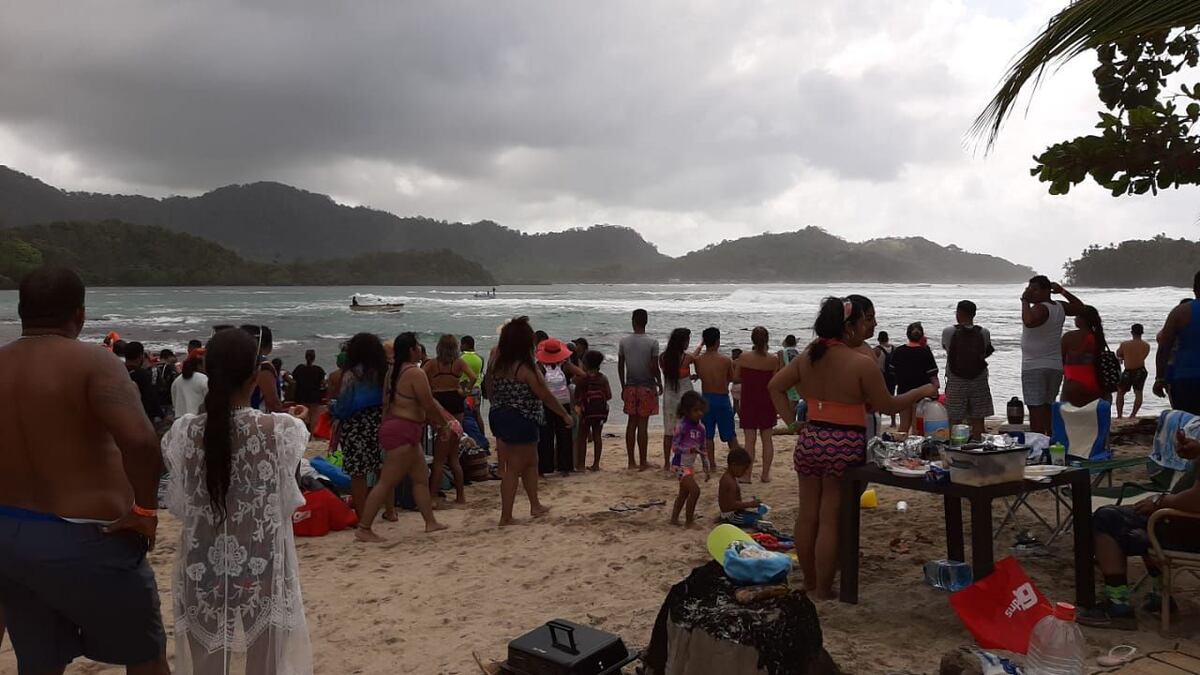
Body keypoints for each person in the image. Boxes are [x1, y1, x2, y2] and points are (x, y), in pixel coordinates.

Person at [0, 267, 168, 675]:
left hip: (9, 534)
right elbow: (142, 442)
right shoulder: (95, 361)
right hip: (86, 536)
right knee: (146, 658)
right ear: (79, 314)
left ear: (22, 311)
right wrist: (145, 510)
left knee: (38, 663)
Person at [161, 327, 312, 674]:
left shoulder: (183, 433)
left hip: (201, 566)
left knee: (206, 666)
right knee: (265, 664)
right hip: (262, 564)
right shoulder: (282, 431)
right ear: (254, 377)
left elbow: (181, 508)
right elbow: (287, 502)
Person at [767, 296, 937, 599]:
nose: (868, 326)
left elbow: (775, 387)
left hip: (811, 437)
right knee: (830, 517)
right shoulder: (860, 363)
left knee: (807, 515)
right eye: (864, 321)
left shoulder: (808, 356)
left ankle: (808, 582)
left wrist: (793, 423)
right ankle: (823, 589)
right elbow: (887, 405)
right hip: (844, 441)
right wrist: (922, 390)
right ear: (849, 327)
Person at [1077, 429, 1200, 628]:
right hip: (1180, 522)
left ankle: (1118, 606)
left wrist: (1161, 502)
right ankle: (1162, 595)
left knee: (1107, 519)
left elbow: (1197, 501)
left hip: (1185, 528)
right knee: (1142, 517)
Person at [355, 333, 448, 543]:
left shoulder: (393, 372)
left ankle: (430, 522)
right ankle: (364, 527)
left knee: (421, 477)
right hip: (403, 430)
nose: (420, 350)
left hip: (399, 429)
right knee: (387, 481)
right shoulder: (415, 373)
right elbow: (428, 404)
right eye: (417, 346)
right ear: (412, 351)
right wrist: (443, 425)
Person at [486, 317, 572, 526]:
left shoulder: (496, 362)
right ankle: (506, 516)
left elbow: (488, 387)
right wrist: (564, 414)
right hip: (522, 418)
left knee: (531, 461)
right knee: (514, 467)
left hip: (499, 414)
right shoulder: (525, 368)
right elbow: (545, 395)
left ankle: (535, 505)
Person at [331, 333, 395, 522]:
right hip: (379, 421)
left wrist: (334, 411)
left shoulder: (351, 374)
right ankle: (390, 511)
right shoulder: (384, 371)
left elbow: (344, 404)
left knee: (358, 474)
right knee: (381, 469)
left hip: (356, 425)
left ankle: (362, 516)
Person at [1022, 276, 1084, 434]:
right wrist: (1063, 291)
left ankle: (1038, 442)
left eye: (1034, 289)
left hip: (1034, 366)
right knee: (1048, 406)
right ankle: (1049, 439)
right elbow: (1079, 307)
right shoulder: (1059, 306)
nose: (1031, 292)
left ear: (1045, 291)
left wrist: (1024, 301)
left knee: (1035, 408)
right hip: (1054, 365)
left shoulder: (1039, 308)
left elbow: (1028, 321)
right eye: (1029, 289)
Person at [423, 335, 476, 504]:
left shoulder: (432, 364)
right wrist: (465, 390)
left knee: (439, 459)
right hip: (456, 399)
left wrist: (430, 390)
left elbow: (421, 378)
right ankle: (460, 496)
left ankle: (432, 496)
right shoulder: (458, 363)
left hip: (439, 400)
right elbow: (473, 377)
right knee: (453, 456)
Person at [941, 300, 995, 440]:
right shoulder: (984, 332)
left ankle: (956, 446)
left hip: (956, 379)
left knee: (955, 418)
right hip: (978, 378)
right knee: (978, 418)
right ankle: (977, 445)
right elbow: (985, 352)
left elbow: (947, 349)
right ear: (974, 314)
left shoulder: (949, 332)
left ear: (958, 313)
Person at [736, 327, 781, 483]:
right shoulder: (773, 359)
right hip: (766, 401)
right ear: (767, 340)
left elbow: (736, 377)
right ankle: (765, 474)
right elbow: (775, 381)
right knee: (767, 439)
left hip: (749, 400)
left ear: (752, 340)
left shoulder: (743, 357)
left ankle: (747, 475)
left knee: (750, 441)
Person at [617, 308, 661, 470]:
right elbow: (654, 367)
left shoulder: (624, 342)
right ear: (646, 321)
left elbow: (620, 365)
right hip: (647, 386)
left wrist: (623, 386)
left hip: (630, 386)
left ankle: (631, 462)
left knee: (631, 424)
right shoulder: (652, 342)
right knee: (643, 425)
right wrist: (659, 382)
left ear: (633, 321)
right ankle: (643, 461)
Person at [695, 327, 742, 469]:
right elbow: (732, 378)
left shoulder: (698, 361)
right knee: (730, 435)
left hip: (706, 399)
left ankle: (712, 464)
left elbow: (700, 374)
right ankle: (737, 461)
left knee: (708, 435)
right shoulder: (725, 360)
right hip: (721, 399)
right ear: (717, 342)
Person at [1155, 272, 1200, 415]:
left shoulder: (1181, 312)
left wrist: (1160, 378)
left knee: (1186, 425)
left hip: (1185, 377)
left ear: (1194, 289)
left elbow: (1164, 347)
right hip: (1185, 377)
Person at [535, 338, 578, 476]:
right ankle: (565, 467)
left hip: (546, 403)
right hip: (563, 403)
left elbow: (536, 384)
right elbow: (582, 374)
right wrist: (570, 384)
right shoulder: (565, 365)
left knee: (545, 436)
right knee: (564, 436)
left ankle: (544, 467)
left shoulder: (540, 366)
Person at [889, 323, 938, 434]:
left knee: (903, 426)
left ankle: (900, 448)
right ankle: (915, 449)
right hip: (921, 394)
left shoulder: (898, 351)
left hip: (903, 393)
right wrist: (935, 391)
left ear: (907, 335)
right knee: (917, 428)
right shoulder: (925, 352)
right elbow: (933, 374)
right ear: (921, 336)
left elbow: (892, 372)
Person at [660, 328, 698, 473]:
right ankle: (681, 459)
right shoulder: (687, 358)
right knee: (686, 429)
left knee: (669, 431)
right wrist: (694, 376)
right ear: (683, 342)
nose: (688, 342)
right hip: (685, 397)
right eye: (687, 339)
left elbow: (671, 373)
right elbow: (693, 362)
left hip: (670, 397)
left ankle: (666, 463)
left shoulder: (663, 358)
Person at [669, 391, 708, 528]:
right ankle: (689, 521)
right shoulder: (681, 427)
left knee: (684, 493)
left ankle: (674, 519)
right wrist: (689, 450)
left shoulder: (701, 429)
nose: (699, 413)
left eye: (701, 410)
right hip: (679, 465)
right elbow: (674, 448)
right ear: (686, 410)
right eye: (695, 410)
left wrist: (706, 466)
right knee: (695, 491)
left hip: (689, 466)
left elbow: (703, 449)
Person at [1061, 305, 1109, 408]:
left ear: (1083, 320)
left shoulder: (1069, 337)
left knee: (1069, 417)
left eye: (1077, 316)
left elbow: (1060, 360)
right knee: (1094, 417)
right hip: (1096, 383)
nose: (1075, 318)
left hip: (1073, 383)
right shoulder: (1099, 337)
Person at [573, 350, 611, 471]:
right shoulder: (603, 378)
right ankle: (596, 464)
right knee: (597, 436)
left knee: (582, 437)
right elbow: (609, 395)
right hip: (600, 412)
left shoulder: (582, 379)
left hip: (586, 413)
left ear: (585, 364)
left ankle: (581, 465)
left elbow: (576, 396)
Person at [243, 325, 289, 413]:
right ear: (269, 345)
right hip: (258, 415)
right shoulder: (264, 367)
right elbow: (273, 402)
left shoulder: (239, 362)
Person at [718, 448, 764, 526]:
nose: (745, 472)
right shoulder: (728, 481)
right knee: (757, 520)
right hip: (730, 516)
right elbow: (731, 504)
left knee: (757, 516)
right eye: (744, 469)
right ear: (734, 465)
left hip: (735, 512)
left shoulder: (732, 478)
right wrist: (750, 504)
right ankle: (724, 519)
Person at [124, 341, 166, 425]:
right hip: (140, 417)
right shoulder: (144, 375)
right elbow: (151, 398)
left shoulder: (117, 371)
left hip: (121, 414)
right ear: (141, 356)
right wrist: (162, 416)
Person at [1116, 324, 1151, 418]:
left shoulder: (1125, 344)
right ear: (1142, 332)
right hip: (1141, 370)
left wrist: (1121, 358)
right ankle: (1133, 415)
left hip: (1128, 371)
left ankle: (1119, 415)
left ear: (1132, 332)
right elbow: (1143, 356)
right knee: (1138, 392)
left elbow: (1119, 353)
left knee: (1120, 392)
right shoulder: (1146, 345)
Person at [291, 349, 327, 431]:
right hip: (314, 395)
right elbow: (323, 383)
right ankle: (312, 436)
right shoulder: (318, 370)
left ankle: (302, 433)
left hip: (301, 395)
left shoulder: (299, 368)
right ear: (314, 358)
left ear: (305, 357)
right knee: (313, 416)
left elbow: (294, 380)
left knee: (302, 415)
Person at [873, 332, 897, 427]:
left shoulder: (876, 350)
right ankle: (893, 422)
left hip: (881, 377)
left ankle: (879, 420)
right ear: (887, 338)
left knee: (879, 399)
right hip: (892, 377)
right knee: (891, 398)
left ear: (879, 339)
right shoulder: (894, 348)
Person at [152, 348, 178, 415]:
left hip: (154, 399)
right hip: (166, 399)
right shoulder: (169, 367)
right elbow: (174, 382)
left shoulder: (153, 367)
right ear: (169, 357)